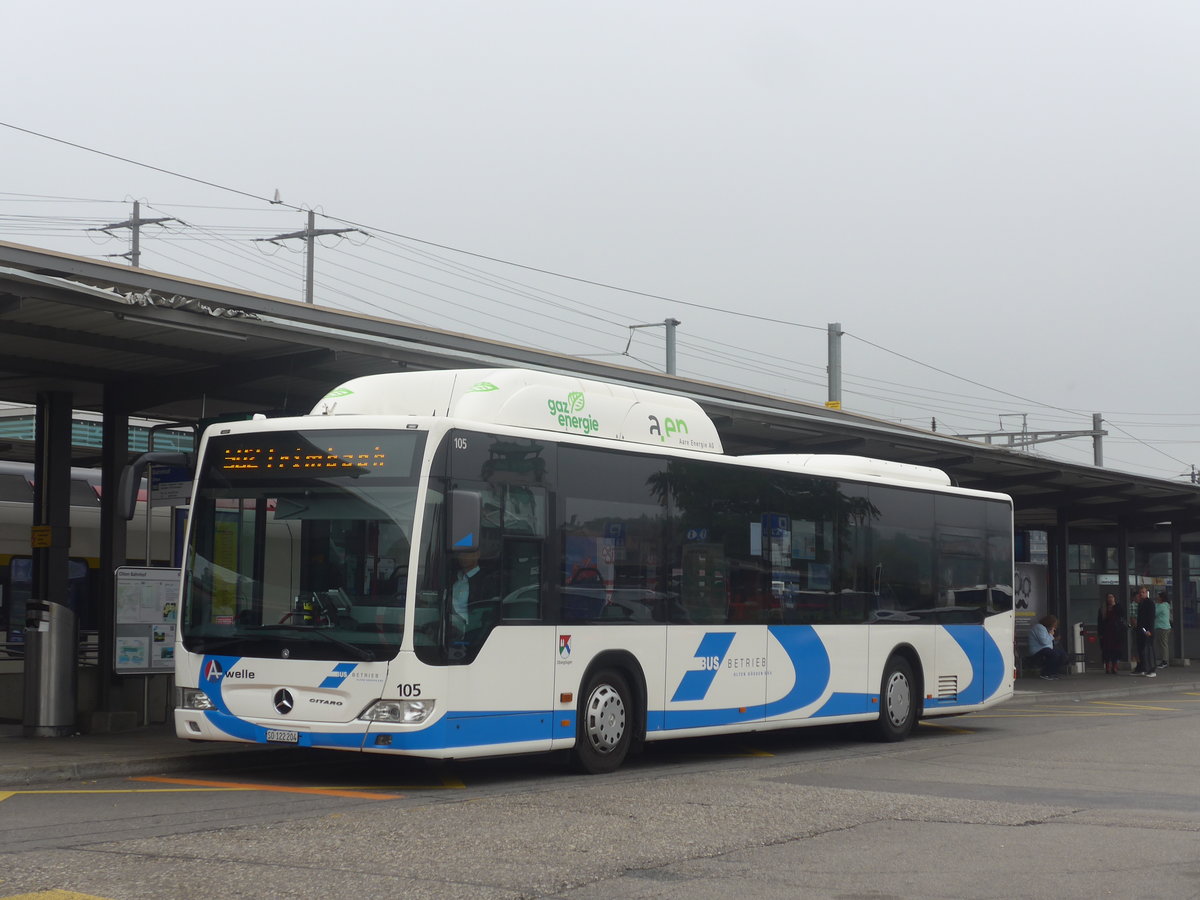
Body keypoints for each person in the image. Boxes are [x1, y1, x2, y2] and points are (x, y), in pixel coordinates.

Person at [1028, 614, 1067, 680]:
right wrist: (1051, 635)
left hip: (1045, 649)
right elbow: (1044, 641)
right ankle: (1045, 673)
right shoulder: (1039, 627)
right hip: (1037, 651)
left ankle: (1053, 672)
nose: (1054, 627)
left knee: (1062, 654)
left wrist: (1055, 639)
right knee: (1054, 654)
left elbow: (1048, 643)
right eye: (1054, 624)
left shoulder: (1046, 629)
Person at [1097, 593, 1126, 674]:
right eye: (1108, 597)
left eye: (1112, 597)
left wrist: (1115, 606)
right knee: (1106, 650)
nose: (1110, 599)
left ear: (1114, 598)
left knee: (1115, 650)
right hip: (1106, 632)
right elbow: (1100, 622)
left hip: (1116, 632)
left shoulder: (1118, 607)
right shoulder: (1103, 609)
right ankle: (1107, 666)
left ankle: (1114, 666)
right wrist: (1100, 633)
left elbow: (1122, 615)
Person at [1133, 586, 1157, 676]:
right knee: (1141, 649)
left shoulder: (1150, 603)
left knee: (1149, 650)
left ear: (1146, 592)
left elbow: (1151, 618)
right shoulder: (1141, 603)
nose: (1141, 594)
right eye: (1140, 593)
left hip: (1147, 630)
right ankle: (1143, 668)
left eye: (1143, 592)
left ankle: (1152, 669)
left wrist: (1149, 630)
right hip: (1141, 630)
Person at [1154, 591, 1172, 669]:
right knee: (1163, 644)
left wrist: (1155, 604)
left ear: (1161, 598)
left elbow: (1154, 612)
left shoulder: (1162, 606)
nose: (1157, 598)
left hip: (1162, 627)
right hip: (1165, 627)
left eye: (1158, 596)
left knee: (1163, 645)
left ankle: (1164, 661)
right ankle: (1163, 660)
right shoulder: (1165, 605)